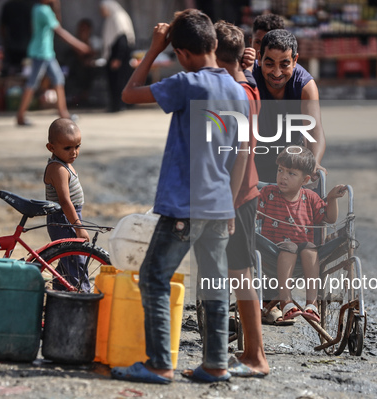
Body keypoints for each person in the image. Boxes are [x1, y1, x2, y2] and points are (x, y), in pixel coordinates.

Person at [110, 9, 248, 384]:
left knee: (155, 277)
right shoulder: (239, 93)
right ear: (216, 44)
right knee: (215, 286)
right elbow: (240, 157)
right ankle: (216, 363)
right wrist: (231, 206)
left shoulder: (188, 83)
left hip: (185, 205)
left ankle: (158, 364)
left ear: (182, 53)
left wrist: (154, 49)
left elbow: (128, 93)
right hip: (220, 206)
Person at [213, 20, 269, 378]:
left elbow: (244, 151)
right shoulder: (244, 83)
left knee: (240, 273)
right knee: (236, 272)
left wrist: (228, 205)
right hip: (238, 193)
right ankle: (249, 352)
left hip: (238, 195)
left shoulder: (241, 93)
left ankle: (256, 356)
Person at [257, 146, 346, 322]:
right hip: (272, 251)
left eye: (291, 173)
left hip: (303, 254)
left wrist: (332, 198)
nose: (283, 176)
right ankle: (286, 302)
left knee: (311, 249)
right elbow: (253, 214)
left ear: (305, 179)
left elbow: (329, 218)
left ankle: (311, 304)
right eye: (280, 170)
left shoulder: (310, 198)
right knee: (290, 247)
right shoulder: (268, 193)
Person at [251, 27, 327, 183]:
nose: (277, 73)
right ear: (259, 57)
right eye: (270, 64)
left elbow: (313, 129)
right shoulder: (249, 78)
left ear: (295, 60)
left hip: (290, 161)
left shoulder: (305, 86)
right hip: (253, 158)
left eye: (284, 65)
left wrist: (314, 163)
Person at [16, 0, 91, 126]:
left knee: (58, 79)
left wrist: (57, 6)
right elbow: (59, 30)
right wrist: (79, 46)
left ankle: (63, 114)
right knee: (32, 83)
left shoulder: (39, 8)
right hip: (41, 52)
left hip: (47, 52)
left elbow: (57, 23)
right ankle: (20, 116)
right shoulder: (43, 11)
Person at [44, 118, 91, 291]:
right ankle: (83, 298)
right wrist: (78, 226)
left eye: (77, 146)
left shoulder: (66, 164)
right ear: (51, 148)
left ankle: (59, 300)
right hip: (63, 220)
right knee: (76, 263)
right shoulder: (58, 169)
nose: (74, 152)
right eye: (67, 148)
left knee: (67, 264)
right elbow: (64, 201)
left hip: (69, 217)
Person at [99, 0, 135, 112]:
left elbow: (122, 40)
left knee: (119, 82)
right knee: (113, 82)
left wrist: (118, 58)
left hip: (119, 57)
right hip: (113, 56)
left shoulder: (118, 18)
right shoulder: (110, 19)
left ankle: (119, 105)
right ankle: (115, 105)